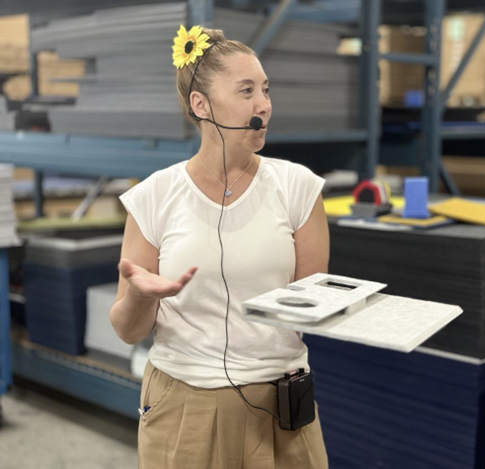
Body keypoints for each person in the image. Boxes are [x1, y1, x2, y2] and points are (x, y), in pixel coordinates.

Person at [109, 25, 330, 469]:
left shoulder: (298, 188)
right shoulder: (154, 197)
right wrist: (139, 294)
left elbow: (314, 307)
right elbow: (128, 331)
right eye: (246, 90)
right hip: (185, 404)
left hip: (283, 404)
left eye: (265, 90)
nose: (263, 105)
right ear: (201, 105)